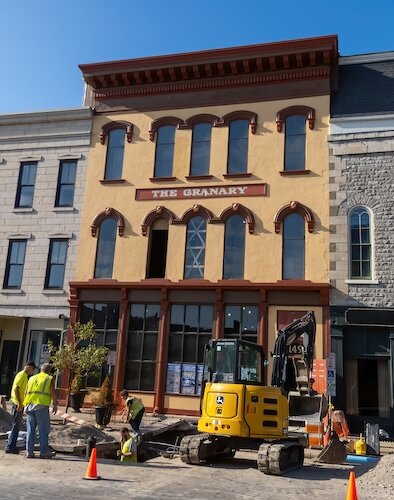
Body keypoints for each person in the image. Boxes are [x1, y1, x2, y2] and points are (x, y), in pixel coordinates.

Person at [23, 363, 57, 459]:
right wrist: (55, 404)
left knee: (30, 430)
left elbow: (26, 392)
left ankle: (29, 452)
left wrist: (25, 405)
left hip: (30, 406)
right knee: (43, 430)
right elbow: (53, 392)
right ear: (49, 371)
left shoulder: (32, 378)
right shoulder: (49, 378)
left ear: (41, 369)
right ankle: (44, 452)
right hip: (41, 406)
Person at [5, 361, 37, 454]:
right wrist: (19, 403)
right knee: (16, 426)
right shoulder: (22, 375)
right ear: (27, 367)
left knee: (16, 425)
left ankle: (11, 445)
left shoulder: (24, 376)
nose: (33, 371)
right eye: (32, 368)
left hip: (19, 404)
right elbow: (16, 389)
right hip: (17, 404)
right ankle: (10, 446)